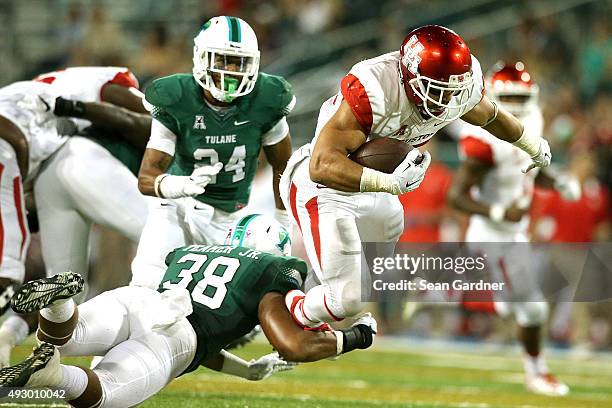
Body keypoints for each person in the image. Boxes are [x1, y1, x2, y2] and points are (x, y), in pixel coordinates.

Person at [280, 25, 553, 329]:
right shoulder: (375, 88)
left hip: (378, 195)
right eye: (438, 90)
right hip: (327, 188)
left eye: (453, 91)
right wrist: (388, 183)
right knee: (346, 298)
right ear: (410, 76)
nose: (446, 100)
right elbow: (321, 164)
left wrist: (531, 144)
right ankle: (292, 308)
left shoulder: (456, 90)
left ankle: (328, 287)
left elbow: (490, 115)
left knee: (377, 278)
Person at [0, 215, 377, 407]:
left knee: (73, 334)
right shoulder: (272, 269)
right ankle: (54, 376)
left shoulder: (192, 251)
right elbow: (292, 345)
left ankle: (61, 302)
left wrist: (245, 371)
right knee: (107, 395)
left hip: (140, 298)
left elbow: (205, 328)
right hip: (174, 335)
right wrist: (355, 337)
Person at [0, 67, 152, 368]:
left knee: (66, 289)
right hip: (74, 162)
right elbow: (153, 122)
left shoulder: (34, 92)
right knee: (159, 239)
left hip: (47, 172)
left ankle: (7, 336)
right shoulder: (103, 86)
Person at [131, 16, 294, 289]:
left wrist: (284, 222)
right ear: (201, 57)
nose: (230, 70)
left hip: (235, 218)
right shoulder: (176, 96)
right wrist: (181, 185)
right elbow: (147, 178)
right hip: (178, 208)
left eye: (238, 62)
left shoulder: (269, 97)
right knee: (148, 282)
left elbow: (284, 166)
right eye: (221, 60)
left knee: (267, 279)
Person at [448, 61, 579, 396]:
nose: (518, 107)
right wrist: (497, 209)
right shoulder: (482, 139)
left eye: (523, 98)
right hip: (491, 234)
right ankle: (536, 372)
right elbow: (456, 196)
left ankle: (503, 310)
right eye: (511, 99)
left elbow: (529, 170)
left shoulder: (532, 121)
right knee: (534, 308)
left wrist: (558, 181)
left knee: (525, 307)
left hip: (513, 234)